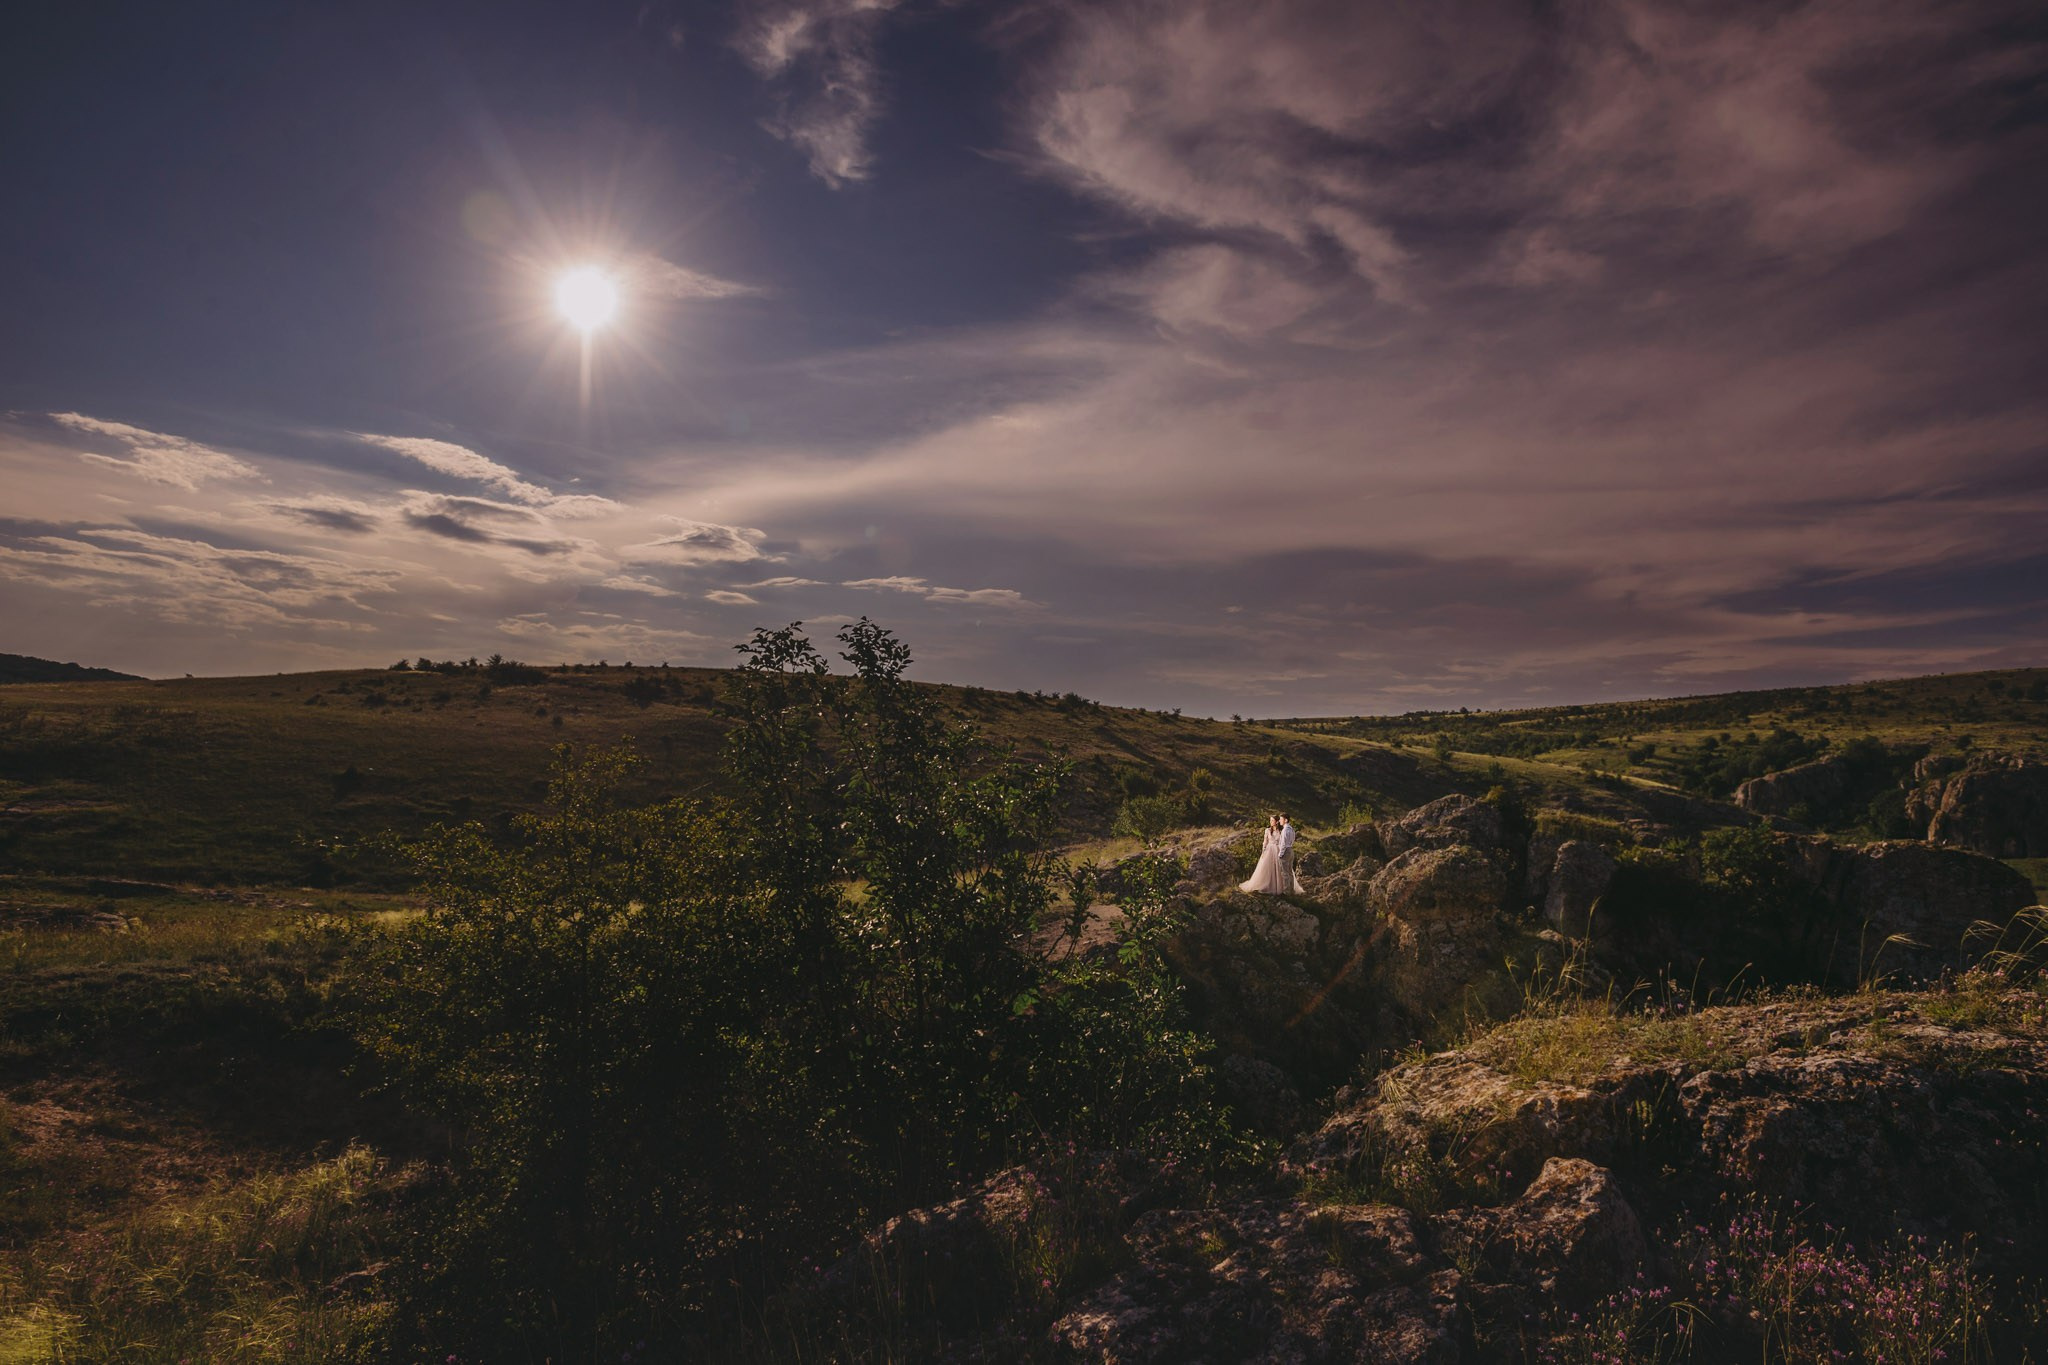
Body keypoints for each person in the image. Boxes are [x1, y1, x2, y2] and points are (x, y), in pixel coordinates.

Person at [1239, 814, 1301, 894]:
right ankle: (1269, 885)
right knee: (1268, 869)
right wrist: (1263, 851)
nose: (1270, 822)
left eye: (1272, 820)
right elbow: (1265, 842)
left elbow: (1285, 842)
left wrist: (1281, 851)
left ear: (1277, 821)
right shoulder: (1267, 830)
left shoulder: (1282, 830)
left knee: (1282, 870)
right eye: (1270, 820)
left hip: (1279, 850)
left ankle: (1285, 889)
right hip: (1269, 851)